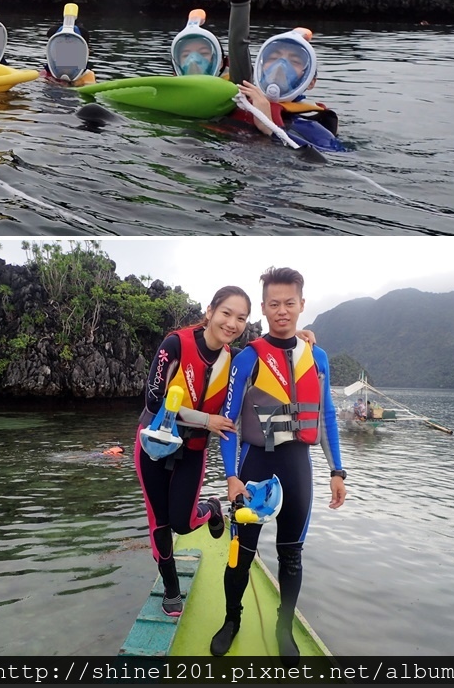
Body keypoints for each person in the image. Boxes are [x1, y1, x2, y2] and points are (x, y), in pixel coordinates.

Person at [211, 266, 346, 659]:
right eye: (274, 304)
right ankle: (231, 619)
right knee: (241, 552)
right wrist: (233, 477)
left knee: (292, 554)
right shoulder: (247, 358)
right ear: (264, 309)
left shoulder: (317, 357)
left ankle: (283, 626)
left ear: (302, 304)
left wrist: (337, 471)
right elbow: (228, 424)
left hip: (297, 468)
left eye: (290, 303)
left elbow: (327, 418)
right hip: (254, 468)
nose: (282, 311)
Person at [134, 286, 250, 616]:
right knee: (159, 522)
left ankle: (211, 507)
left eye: (241, 318)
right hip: (154, 443)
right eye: (226, 313)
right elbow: (154, 401)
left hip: (194, 447)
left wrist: (299, 338)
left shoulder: (235, 361)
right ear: (210, 311)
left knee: (183, 524)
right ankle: (171, 588)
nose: (232, 323)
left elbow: (267, 353)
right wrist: (206, 419)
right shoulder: (176, 344)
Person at [228, 0, 345, 151]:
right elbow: (238, 43)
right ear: (260, 65)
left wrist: (271, 127)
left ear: (310, 81)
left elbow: (333, 165)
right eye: (273, 57)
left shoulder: (315, 129)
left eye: (294, 60)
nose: (281, 65)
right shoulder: (245, 95)